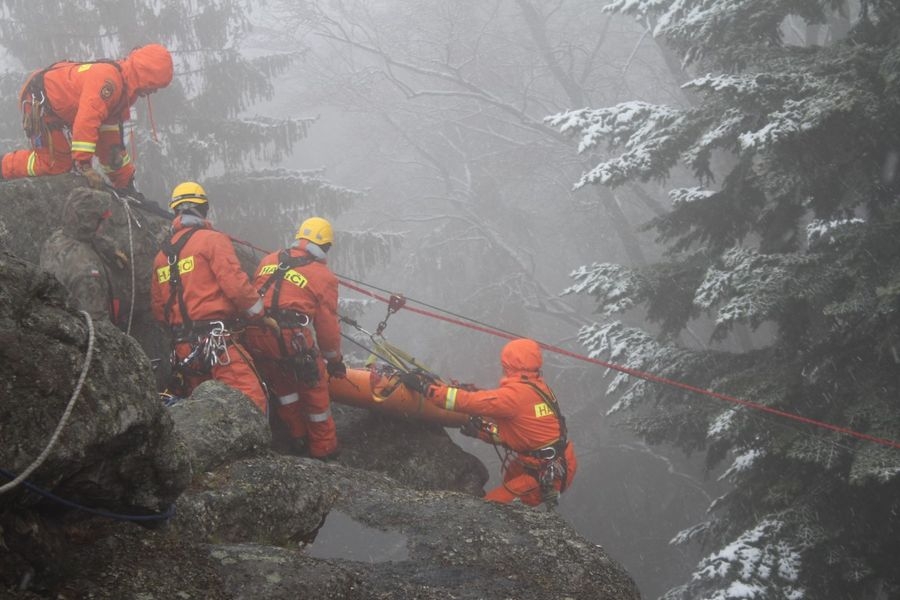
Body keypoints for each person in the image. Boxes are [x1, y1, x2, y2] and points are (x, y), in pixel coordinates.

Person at [408, 338, 576, 508]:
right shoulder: (537, 388)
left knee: (489, 509)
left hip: (544, 473)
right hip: (554, 463)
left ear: (509, 365)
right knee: (510, 489)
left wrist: (427, 389)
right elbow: (519, 433)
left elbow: (466, 402)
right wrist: (480, 432)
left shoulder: (514, 396)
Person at [150, 181, 267, 410]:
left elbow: (158, 308)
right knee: (251, 401)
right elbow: (236, 286)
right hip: (217, 344)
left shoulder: (161, 256)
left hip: (183, 350)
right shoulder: (212, 240)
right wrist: (259, 315)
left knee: (201, 409)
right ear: (203, 209)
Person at [1, 44, 173, 192]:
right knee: (56, 164)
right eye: (154, 85)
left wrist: (125, 182)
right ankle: (4, 166)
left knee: (109, 150)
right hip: (38, 102)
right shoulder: (110, 82)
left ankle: (124, 183)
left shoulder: (123, 91)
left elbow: (109, 143)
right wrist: (84, 165)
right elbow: (86, 121)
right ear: (145, 75)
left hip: (52, 104)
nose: (154, 91)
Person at [244, 217, 346, 460]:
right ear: (326, 246)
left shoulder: (270, 259)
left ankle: (297, 437)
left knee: (283, 385)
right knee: (314, 389)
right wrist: (334, 360)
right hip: (291, 338)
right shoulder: (324, 276)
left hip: (257, 331)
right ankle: (324, 449)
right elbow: (327, 327)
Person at [39, 187, 128, 324]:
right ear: (91, 222)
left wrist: (111, 249)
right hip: (81, 330)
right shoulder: (88, 273)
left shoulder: (56, 239)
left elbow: (89, 236)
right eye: (102, 219)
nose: (106, 223)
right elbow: (98, 324)